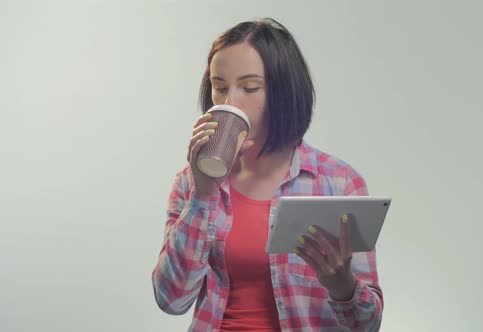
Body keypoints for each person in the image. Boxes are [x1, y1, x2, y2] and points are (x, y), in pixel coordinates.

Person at [152, 18, 383, 331]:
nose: (230, 102)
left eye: (249, 87)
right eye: (220, 87)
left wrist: (343, 286)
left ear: (283, 94)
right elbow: (171, 299)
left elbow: (368, 325)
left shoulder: (339, 183)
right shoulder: (190, 182)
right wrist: (203, 195)